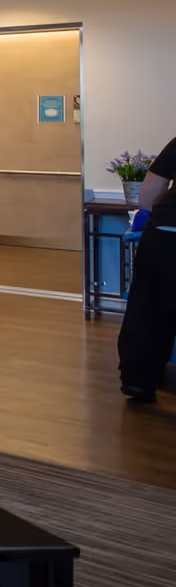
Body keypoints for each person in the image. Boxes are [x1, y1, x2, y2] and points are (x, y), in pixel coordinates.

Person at [117, 136, 176, 402]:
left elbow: (152, 189)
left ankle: (138, 380)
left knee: (147, 306)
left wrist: (146, 218)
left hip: (164, 230)